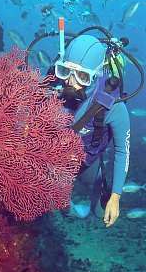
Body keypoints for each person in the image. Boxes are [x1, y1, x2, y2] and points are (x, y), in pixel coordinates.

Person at [49, 34, 130, 227]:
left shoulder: (113, 106)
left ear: (96, 74)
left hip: (88, 159)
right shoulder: (52, 84)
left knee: (97, 208)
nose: (71, 81)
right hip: (57, 160)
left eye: (82, 76)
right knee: (63, 207)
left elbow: (122, 150)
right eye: (65, 71)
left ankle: (94, 202)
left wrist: (116, 196)